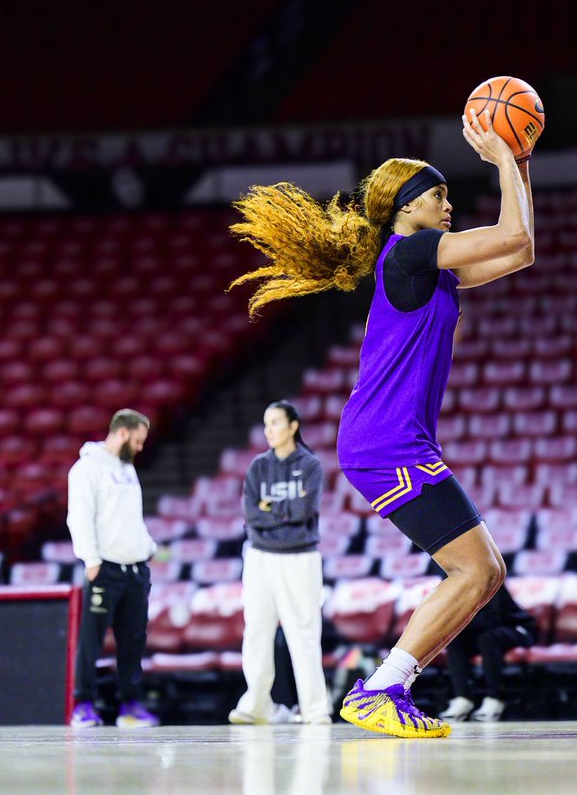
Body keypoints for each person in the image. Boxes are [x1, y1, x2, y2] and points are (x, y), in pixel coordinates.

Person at [229, 108, 534, 737]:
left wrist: (520, 161)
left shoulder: (429, 264)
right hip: (384, 441)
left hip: (392, 440)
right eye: (439, 195)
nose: (449, 205)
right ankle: (382, 688)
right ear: (405, 206)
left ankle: (390, 685)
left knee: (486, 572)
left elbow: (522, 248)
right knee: (476, 570)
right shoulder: (412, 252)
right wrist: (504, 159)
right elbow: (509, 234)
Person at [227, 400, 333, 726]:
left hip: (300, 559)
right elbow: (251, 515)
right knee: (256, 632)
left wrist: (269, 509)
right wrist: (280, 511)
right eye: (266, 423)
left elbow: (304, 512)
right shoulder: (258, 467)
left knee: (304, 634)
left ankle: (315, 709)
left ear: (293, 426)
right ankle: (256, 705)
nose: (268, 430)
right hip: (260, 558)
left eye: (275, 422)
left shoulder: (311, 465)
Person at [67, 409, 160, 729]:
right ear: (122, 433)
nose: (140, 447)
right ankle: (83, 704)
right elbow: (79, 516)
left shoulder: (127, 469)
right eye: (137, 440)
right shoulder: (86, 469)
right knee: (91, 640)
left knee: (133, 642)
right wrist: (90, 559)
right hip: (104, 567)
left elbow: (131, 517)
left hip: (135, 570)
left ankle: (130, 706)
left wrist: (147, 548)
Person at [439, 581, 537, 722]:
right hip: (485, 632)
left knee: (488, 639)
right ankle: (463, 698)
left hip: (518, 628)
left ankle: (495, 698)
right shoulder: (454, 586)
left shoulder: (490, 579)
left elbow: (494, 619)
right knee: (455, 640)